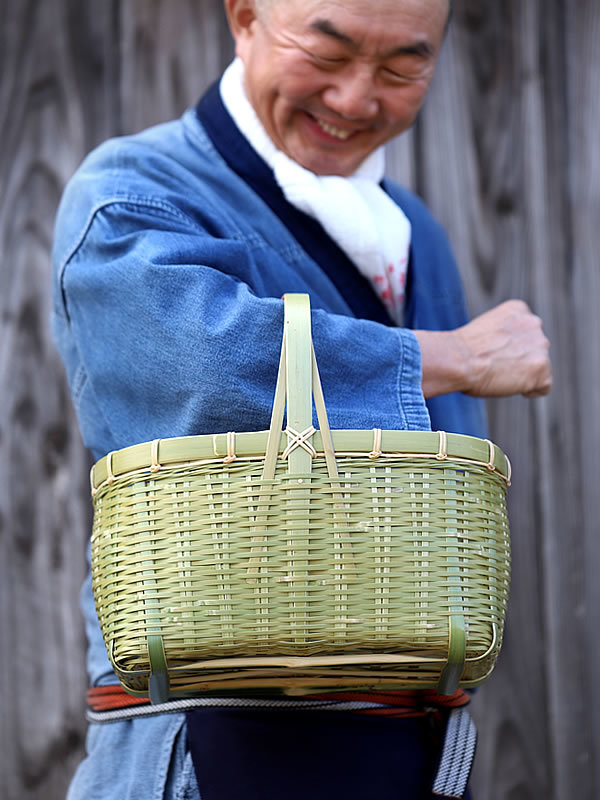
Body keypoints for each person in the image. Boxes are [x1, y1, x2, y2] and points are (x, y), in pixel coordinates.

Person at [51, 0, 552, 798]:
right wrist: (449, 355)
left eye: (401, 67)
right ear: (245, 17)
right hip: (216, 744)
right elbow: (204, 368)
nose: (357, 99)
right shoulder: (134, 193)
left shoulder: (412, 228)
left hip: (410, 747)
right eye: (329, 51)